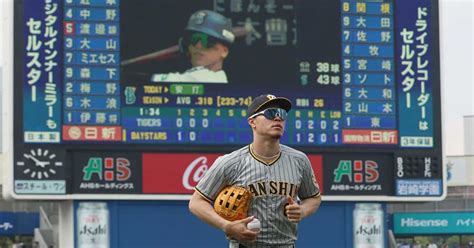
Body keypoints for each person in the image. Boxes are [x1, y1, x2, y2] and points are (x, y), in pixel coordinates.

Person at [189, 94, 322, 247]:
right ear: (252, 122)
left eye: (282, 114)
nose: (278, 118)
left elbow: (313, 198)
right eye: (271, 113)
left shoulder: (299, 160)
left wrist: (303, 211)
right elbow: (197, 202)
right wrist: (226, 225)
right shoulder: (231, 162)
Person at [151, 10, 234, 83]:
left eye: (207, 41)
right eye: (193, 39)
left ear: (224, 51)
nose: (198, 46)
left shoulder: (212, 79)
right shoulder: (190, 75)